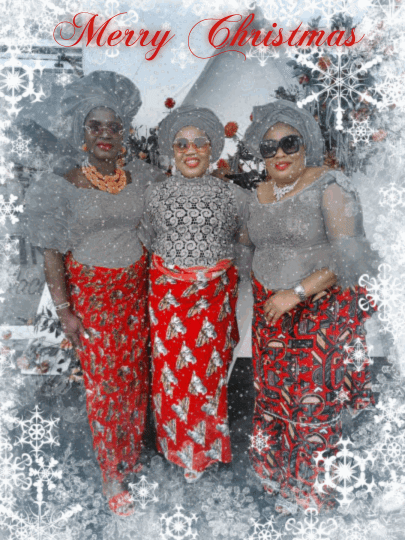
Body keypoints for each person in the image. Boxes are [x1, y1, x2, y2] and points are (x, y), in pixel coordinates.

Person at [24, 70, 165, 516]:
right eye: (95, 126)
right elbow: (51, 253)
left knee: (135, 381)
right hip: (92, 300)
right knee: (105, 388)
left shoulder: (141, 178)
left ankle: (131, 458)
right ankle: (111, 474)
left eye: (113, 126)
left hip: (136, 295)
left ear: (124, 133)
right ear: (82, 132)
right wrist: (64, 309)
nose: (105, 133)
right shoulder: (62, 184)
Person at [242, 100, 380, 514]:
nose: (279, 154)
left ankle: (311, 488)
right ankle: (278, 476)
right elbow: (248, 246)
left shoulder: (331, 186)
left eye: (290, 143)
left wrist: (296, 292)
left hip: (317, 315)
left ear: (307, 145)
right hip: (271, 317)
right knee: (273, 399)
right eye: (269, 147)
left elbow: (351, 256)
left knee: (311, 404)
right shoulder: (257, 194)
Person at [138, 105, 251, 482]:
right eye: (182, 144)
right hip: (168, 297)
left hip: (213, 299)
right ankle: (175, 445)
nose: (190, 150)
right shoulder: (155, 194)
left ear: (212, 148)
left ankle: (202, 449)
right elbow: (148, 239)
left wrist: (224, 275)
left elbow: (243, 240)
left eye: (199, 143)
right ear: (172, 150)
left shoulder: (234, 195)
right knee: (171, 373)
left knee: (207, 374)